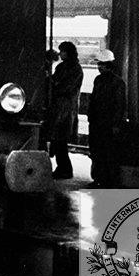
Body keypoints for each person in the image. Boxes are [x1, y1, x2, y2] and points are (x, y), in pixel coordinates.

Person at [87, 49, 127, 187]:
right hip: (100, 122)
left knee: (106, 153)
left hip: (106, 123)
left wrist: (115, 124)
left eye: (102, 65)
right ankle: (100, 179)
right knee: (99, 152)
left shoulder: (115, 82)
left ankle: (107, 180)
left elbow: (119, 105)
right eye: (99, 65)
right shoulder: (111, 81)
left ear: (109, 65)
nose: (99, 67)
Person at [47, 41, 83, 179]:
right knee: (59, 140)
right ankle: (63, 168)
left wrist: (54, 84)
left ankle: (65, 169)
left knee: (60, 140)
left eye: (62, 51)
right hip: (61, 107)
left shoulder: (75, 69)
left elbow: (66, 87)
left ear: (68, 53)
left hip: (66, 108)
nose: (60, 54)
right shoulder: (64, 67)